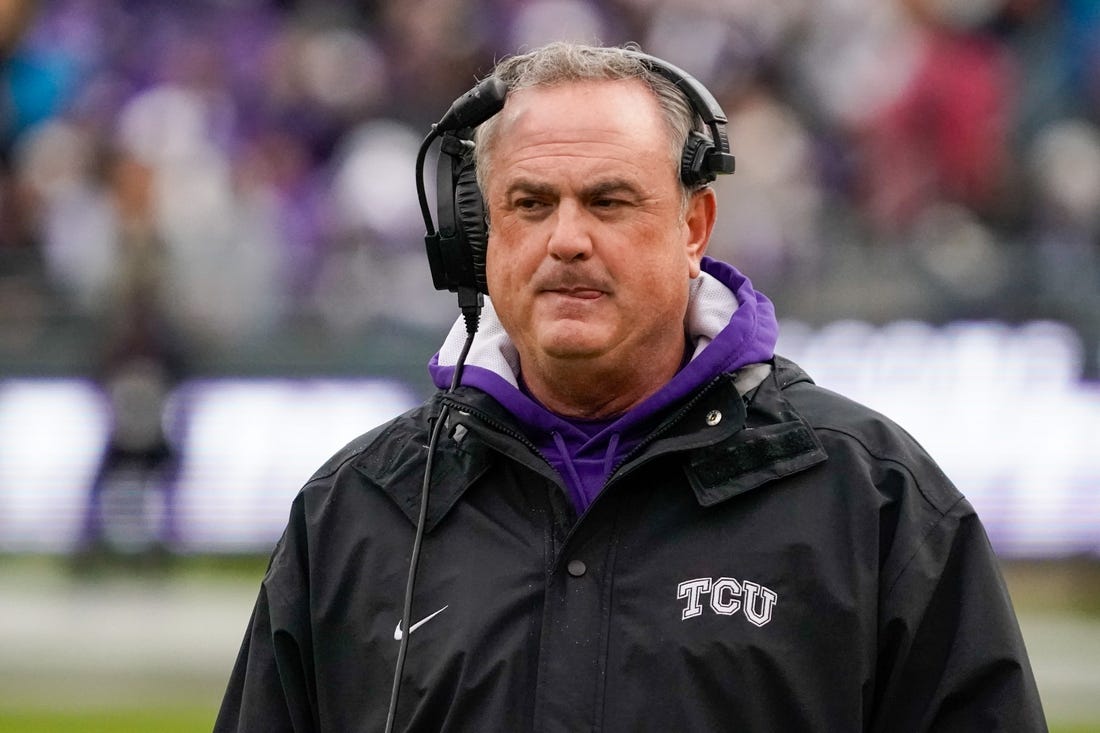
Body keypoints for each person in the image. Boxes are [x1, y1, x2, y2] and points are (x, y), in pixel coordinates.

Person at [215, 42, 1047, 732]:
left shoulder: (873, 499)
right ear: (481, 236)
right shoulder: (356, 513)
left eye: (608, 201)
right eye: (531, 203)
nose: (567, 239)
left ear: (693, 227)